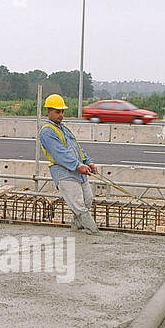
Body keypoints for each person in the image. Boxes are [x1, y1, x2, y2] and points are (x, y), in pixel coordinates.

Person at [37, 94, 99, 234]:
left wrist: (88, 162)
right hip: (64, 173)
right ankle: (94, 232)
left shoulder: (63, 128)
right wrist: (78, 166)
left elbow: (77, 148)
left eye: (62, 111)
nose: (61, 115)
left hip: (78, 172)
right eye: (57, 111)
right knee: (79, 206)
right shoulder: (47, 131)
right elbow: (60, 154)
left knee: (88, 201)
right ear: (49, 111)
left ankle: (76, 230)